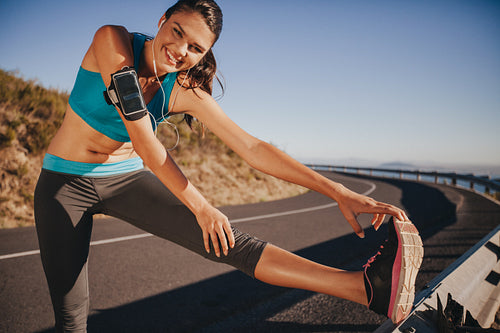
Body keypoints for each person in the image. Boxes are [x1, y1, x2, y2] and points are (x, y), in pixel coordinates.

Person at [34, 0, 423, 331]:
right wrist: (202, 207)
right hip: (63, 183)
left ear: (204, 55)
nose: (180, 49)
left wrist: (337, 191)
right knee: (71, 318)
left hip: (124, 178)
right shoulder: (112, 41)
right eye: (177, 31)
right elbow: (145, 144)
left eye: (195, 48)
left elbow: (252, 147)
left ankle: (367, 289)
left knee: (228, 242)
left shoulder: (182, 88)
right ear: (161, 22)